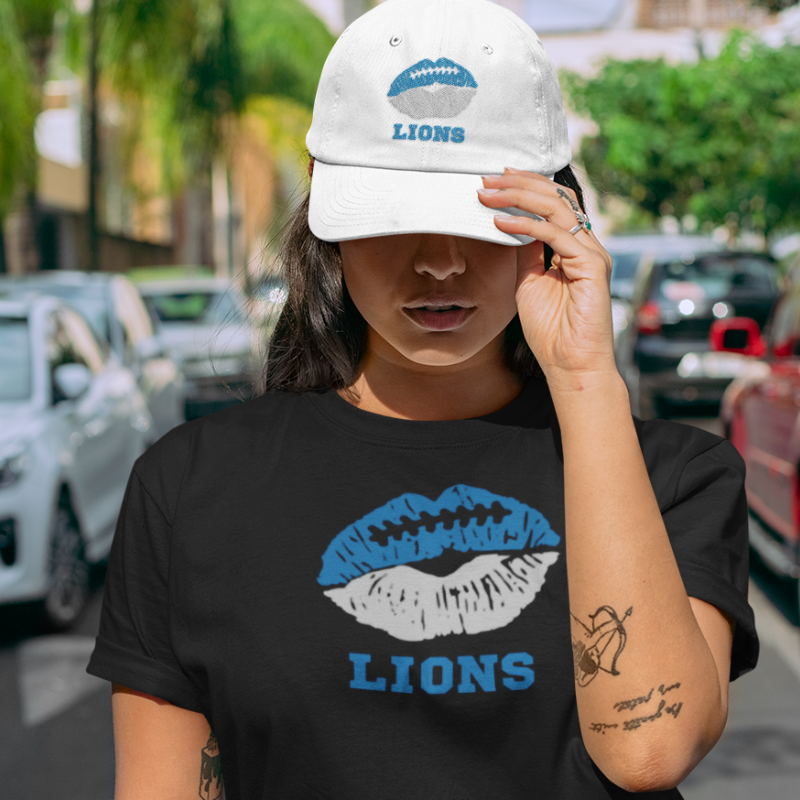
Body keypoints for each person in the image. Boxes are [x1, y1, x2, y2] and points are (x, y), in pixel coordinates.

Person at [87, 1, 758, 798]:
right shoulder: (190, 486)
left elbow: (647, 752)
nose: (439, 262)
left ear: (557, 215)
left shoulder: (677, 476)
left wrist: (584, 382)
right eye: (395, 214)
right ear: (325, 204)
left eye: (484, 215)